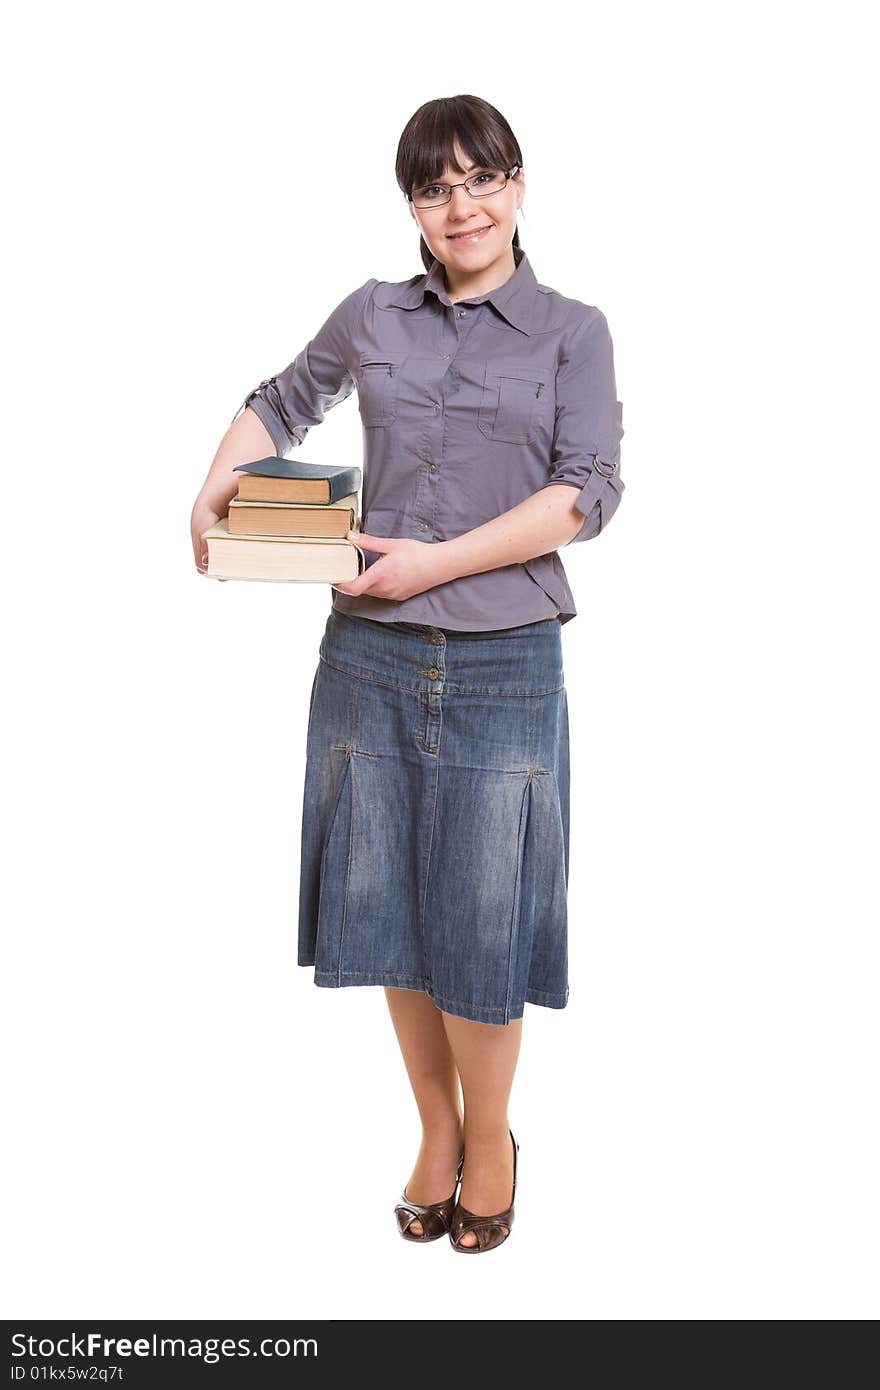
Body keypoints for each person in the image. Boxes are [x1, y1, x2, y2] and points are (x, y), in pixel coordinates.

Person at [190, 94, 625, 1253]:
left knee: (480, 924)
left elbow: (584, 494)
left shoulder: (571, 330)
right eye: (434, 188)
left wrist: (436, 561)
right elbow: (281, 400)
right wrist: (211, 487)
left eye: (481, 179)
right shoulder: (373, 313)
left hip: (502, 659)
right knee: (388, 912)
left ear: (519, 186)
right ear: (414, 209)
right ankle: (433, 1130)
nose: (460, 205)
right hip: (365, 656)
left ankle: (493, 1136)